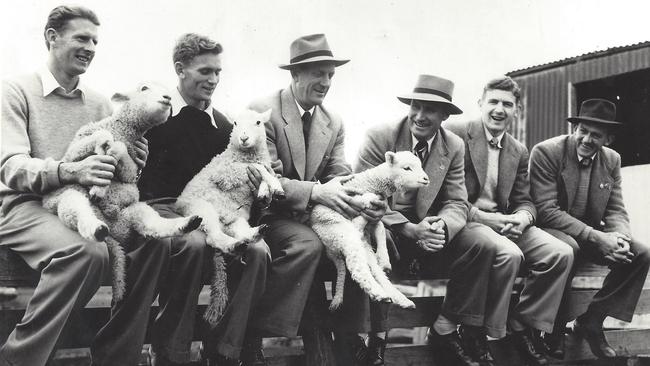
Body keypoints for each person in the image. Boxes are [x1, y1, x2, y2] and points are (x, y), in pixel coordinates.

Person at [356, 74, 524, 366]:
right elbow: (362, 192)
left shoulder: (453, 145)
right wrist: (408, 228)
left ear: (445, 115)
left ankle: (445, 330)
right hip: (385, 224)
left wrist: (440, 226)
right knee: (377, 249)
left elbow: (457, 201)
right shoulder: (380, 137)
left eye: (430, 110)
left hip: (429, 229)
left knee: (483, 244)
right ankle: (377, 340)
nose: (420, 116)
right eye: (416, 107)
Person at [247, 33, 387, 365]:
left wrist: (367, 200)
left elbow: (341, 175)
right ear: (295, 75)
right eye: (318, 73)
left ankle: (351, 342)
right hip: (269, 214)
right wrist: (315, 192)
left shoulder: (332, 121)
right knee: (307, 246)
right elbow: (266, 179)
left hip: (312, 217)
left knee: (362, 236)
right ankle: (254, 335)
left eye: (330, 75)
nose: (325, 82)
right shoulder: (262, 112)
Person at [0, 6, 117, 366]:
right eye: (82, 38)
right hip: (24, 207)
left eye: (95, 40)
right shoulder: (15, 90)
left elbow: (109, 171)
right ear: (51, 37)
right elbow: (11, 167)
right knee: (87, 252)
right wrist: (71, 171)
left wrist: (132, 161)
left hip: (81, 208)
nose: (91, 48)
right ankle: (18, 359)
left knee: (150, 248)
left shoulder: (99, 102)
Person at [443, 76, 573, 365]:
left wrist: (523, 217)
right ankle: (481, 332)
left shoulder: (518, 149)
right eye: (493, 102)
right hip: (467, 221)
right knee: (509, 254)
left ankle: (521, 324)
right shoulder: (456, 133)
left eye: (508, 104)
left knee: (559, 253)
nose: (499, 109)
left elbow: (524, 198)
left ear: (517, 110)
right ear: (480, 104)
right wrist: (488, 219)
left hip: (505, 223)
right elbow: (446, 195)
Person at [530, 98, 650, 359]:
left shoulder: (612, 160)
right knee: (568, 249)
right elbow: (546, 210)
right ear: (576, 128)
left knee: (640, 254)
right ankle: (555, 328)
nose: (586, 139)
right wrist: (598, 237)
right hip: (552, 230)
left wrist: (620, 237)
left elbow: (615, 208)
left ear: (608, 138)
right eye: (582, 130)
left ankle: (592, 320)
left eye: (595, 135)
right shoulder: (547, 152)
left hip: (590, 234)